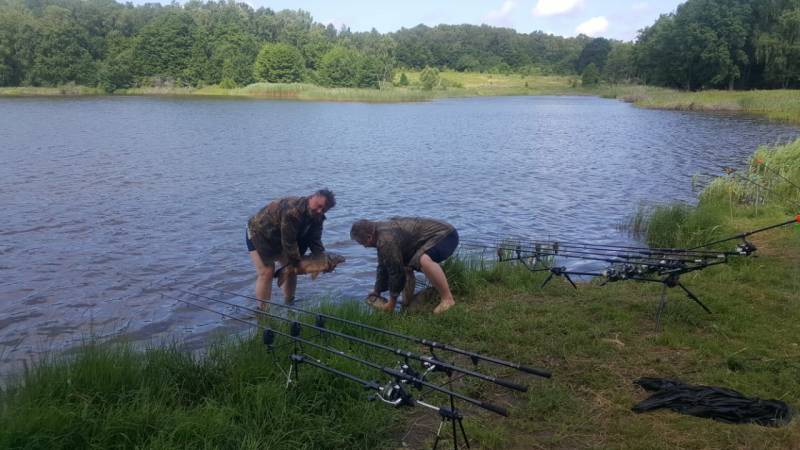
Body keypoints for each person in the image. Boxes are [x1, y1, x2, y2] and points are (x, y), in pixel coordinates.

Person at [246, 189, 336, 308]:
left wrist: (322, 261)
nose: (320, 211)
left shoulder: (318, 217)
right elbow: (289, 242)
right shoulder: (292, 211)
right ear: (312, 198)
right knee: (267, 271)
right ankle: (263, 311)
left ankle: (289, 303)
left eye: (324, 209)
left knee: (291, 269)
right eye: (319, 206)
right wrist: (297, 263)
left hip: (280, 237)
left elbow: (315, 241)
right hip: (260, 234)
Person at [350, 217, 459, 314]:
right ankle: (407, 303)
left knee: (423, 260)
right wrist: (377, 290)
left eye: (362, 243)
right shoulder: (379, 232)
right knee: (406, 266)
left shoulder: (386, 240)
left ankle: (447, 299)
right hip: (431, 238)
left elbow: (396, 272)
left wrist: (391, 303)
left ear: (369, 237)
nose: (364, 246)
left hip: (446, 235)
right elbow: (383, 265)